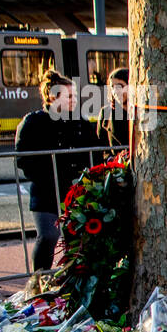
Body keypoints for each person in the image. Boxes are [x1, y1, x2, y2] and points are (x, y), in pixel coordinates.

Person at [14, 72, 103, 272]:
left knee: (76, 238)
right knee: (48, 236)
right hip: (46, 192)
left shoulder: (79, 122)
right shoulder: (34, 122)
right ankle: (39, 278)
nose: (74, 100)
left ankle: (72, 279)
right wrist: (45, 176)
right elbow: (23, 158)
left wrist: (86, 177)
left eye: (75, 96)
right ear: (52, 96)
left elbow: (94, 152)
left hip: (74, 191)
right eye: (69, 96)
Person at [98, 66, 131, 151]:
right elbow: (101, 144)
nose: (116, 91)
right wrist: (109, 159)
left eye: (120, 86)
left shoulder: (141, 111)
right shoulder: (105, 112)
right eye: (112, 87)